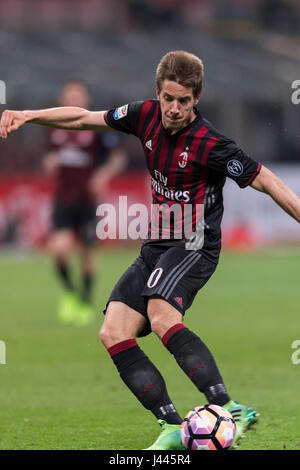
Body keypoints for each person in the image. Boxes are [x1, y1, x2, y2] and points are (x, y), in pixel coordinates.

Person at [1, 50, 300, 450]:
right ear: (157, 93)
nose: (174, 109)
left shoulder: (211, 143)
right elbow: (82, 119)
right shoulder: (142, 116)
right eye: (168, 98)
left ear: (197, 99)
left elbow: (264, 179)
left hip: (194, 243)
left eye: (184, 101)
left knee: (161, 315)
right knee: (113, 331)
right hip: (156, 244)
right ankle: (173, 425)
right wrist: (27, 114)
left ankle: (229, 407)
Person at [43, 80, 127, 326]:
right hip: (63, 199)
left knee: (87, 253)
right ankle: (71, 293)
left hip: (88, 202)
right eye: (68, 96)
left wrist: (103, 175)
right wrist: (50, 161)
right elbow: (50, 153)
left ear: (86, 100)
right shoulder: (53, 126)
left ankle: (85, 302)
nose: (73, 100)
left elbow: (118, 158)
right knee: (58, 250)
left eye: (77, 96)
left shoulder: (97, 126)